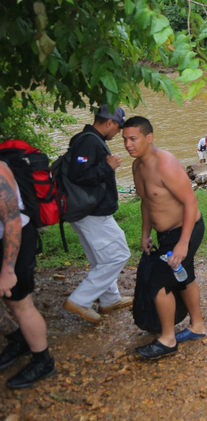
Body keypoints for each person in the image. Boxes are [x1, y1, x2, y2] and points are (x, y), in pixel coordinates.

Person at [123, 117, 206, 359]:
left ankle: (168, 339)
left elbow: (190, 202)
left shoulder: (166, 164)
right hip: (164, 233)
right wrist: (146, 233)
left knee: (159, 282)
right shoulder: (138, 166)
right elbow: (147, 202)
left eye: (133, 138)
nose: (128, 144)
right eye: (125, 139)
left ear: (149, 138)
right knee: (184, 277)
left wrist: (183, 243)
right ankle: (197, 326)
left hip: (186, 229)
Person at [62, 105, 132, 324]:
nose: (118, 133)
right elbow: (77, 174)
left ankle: (109, 299)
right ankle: (79, 300)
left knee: (101, 258)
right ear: (109, 123)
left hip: (88, 211)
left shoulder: (88, 138)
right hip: (92, 213)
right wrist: (107, 167)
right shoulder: (89, 141)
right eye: (118, 127)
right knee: (119, 254)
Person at [0, 161, 55, 388]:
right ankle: (18, 339)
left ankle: (43, 360)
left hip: (15, 240)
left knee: (20, 303)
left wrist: (8, 269)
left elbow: (12, 220)